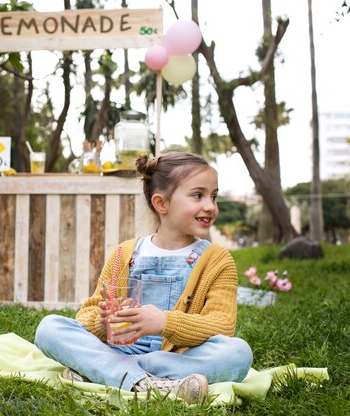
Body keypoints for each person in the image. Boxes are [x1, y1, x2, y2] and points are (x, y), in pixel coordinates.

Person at [34, 151, 253, 404]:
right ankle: (157, 383)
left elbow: (222, 325)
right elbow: (87, 315)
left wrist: (163, 322)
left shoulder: (217, 259)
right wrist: (103, 322)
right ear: (162, 203)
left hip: (176, 355)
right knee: (49, 328)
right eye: (198, 195)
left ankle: (106, 372)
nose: (210, 206)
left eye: (213, 197)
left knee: (238, 352)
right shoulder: (123, 254)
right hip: (116, 349)